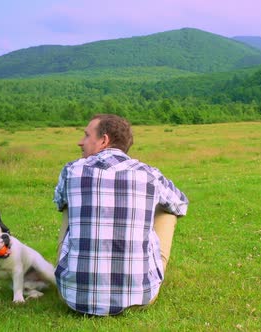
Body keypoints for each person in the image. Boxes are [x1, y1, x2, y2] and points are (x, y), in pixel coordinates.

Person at [53, 114, 189, 316]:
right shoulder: (150, 174)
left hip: (72, 298)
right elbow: (181, 204)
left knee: (67, 205)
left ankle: (75, 275)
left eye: (86, 135)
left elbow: (59, 202)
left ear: (104, 140)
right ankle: (147, 273)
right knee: (168, 211)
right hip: (141, 297)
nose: (80, 142)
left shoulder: (72, 170)